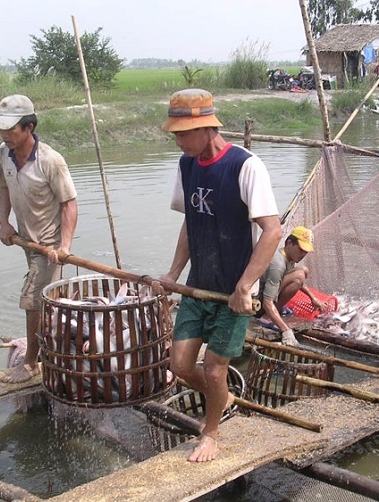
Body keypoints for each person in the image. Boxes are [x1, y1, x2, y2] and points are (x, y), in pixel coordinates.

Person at [158, 89, 281, 462]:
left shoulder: (245, 166)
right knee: (180, 365)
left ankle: (210, 432)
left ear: (207, 128)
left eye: (183, 133)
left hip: (233, 291)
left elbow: (272, 230)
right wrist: (174, 273)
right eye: (175, 133)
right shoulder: (187, 164)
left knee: (213, 367)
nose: (177, 140)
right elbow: (190, 222)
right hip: (199, 284)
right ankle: (223, 397)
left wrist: (245, 286)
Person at [0, 95, 78, 384]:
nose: (5, 135)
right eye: (2, 129)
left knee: (32, 300)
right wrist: (4, 222)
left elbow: (69, 203)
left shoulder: (50, 161)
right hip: (26, 241)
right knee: (48, 300)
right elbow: (4, 187)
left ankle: (30, 364)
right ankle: (57, 346)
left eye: (11, 129)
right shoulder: (4, 153)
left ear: (28, 127)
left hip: (49, 245)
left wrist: (64, 246)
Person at [256, 226, 325, 347]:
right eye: (301, 249)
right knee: (299, 276)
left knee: (303, 270)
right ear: (289, 243)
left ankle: (276, 309)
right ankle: (267, 316)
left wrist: (312, 298)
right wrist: (286, 330)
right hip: (259, 303)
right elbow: (267, 302)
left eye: (306, 251)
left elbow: (298, 280)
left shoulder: (289, 257)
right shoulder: (278, 264)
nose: (303, 254)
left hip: (268, 294)